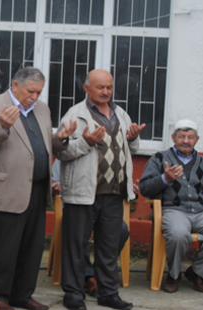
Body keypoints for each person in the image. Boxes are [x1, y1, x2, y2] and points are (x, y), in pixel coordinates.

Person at [0, 67, 75, 310]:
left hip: (38, 189)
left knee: (31, 247)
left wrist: (60, 138)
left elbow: (41, 144)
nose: (35, 96)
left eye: (39, 92)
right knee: (3, 248)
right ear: (15, 84)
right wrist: (2, 127)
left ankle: (22, 295)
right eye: (31, 91)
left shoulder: (42, 109)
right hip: (6, 189)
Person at [56, 69, 144, 310]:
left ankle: (108, 293)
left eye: (109, 87)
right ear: (86, 88)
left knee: (108, 247)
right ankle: (73, 294)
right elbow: (61, 151)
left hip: (114, 193)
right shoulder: (76, 114)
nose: (106, 92)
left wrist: (134, 138)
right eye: (100, 87)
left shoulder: (120, 113)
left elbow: (130, 149)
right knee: (76, 246)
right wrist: (87, 141)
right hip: (83, 192)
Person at [139, 119, 203, 293]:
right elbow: (144, 188)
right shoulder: (159, 158)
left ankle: (197, 273)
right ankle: (173, 275)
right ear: (173, 137)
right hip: (173, 210)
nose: (186, 141)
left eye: (190, 137)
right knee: (178, 234)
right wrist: (165, 179)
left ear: (197, 139)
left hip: (202, 211)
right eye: (181, 136)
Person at [52, 159, 132, 296]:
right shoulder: (70, 151)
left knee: (122, 230)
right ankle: (89, 277)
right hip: (77, 206)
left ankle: (97, 271)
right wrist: (56, 187)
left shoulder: (111, 153)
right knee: (79, 229)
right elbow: (54, 181)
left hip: (105, 209)